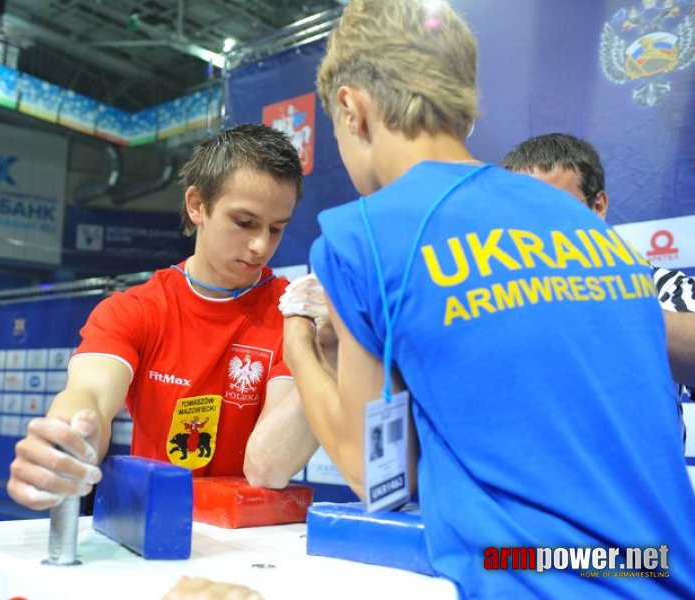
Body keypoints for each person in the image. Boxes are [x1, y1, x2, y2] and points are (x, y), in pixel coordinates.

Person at [279, 1, 694, 598]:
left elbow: (380, 477)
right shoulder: (578, 223)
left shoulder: (362, 234)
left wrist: (297, 338)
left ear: (352, 107)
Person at [7, 124, 319, 511]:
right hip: (150, 524)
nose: (260, 246)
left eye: (276, 229)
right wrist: (65, 444)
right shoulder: (135, 310)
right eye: (244, 222)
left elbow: (270, 466)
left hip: (252, 541)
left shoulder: (292, 317)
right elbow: (88, 395)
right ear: (196, 205)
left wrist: (328, 353)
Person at [502, 132, 695, 387]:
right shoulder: (496, 294)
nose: (538, 227)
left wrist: (598, 297)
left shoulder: (663, 286)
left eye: (557, 209)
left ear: (598, 206)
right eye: (523, 212)